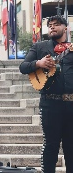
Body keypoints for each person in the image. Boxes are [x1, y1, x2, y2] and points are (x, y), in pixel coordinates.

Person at [19, 15, 73, 173]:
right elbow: (23, 67)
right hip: (50, 104)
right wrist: (39, 63)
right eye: (49, 25)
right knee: (51, 145)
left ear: (65, 28)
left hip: (71, 105)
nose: (52, 27)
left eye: (56, 24)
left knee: (71, 146)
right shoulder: (39, 47)